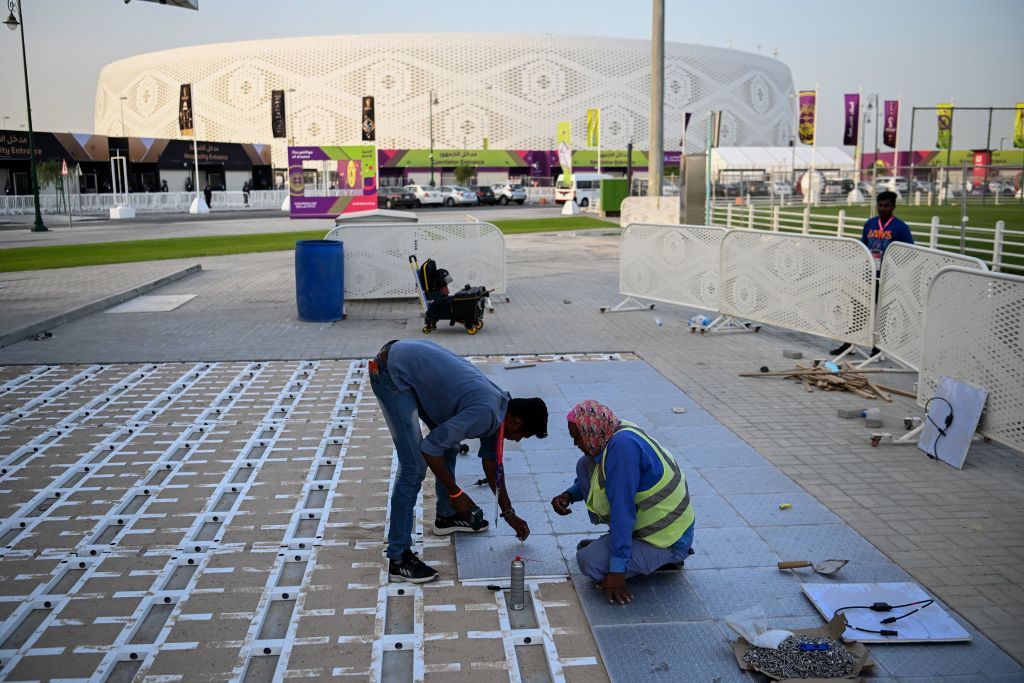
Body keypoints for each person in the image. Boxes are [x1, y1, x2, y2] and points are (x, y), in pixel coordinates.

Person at [369, 339, 549, 583]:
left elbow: (493, 465)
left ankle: (446, 516)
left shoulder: (500, 407)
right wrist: (457, 493)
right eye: (523, 435)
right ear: (516, 422)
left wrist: (509, 514)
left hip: (408, 360)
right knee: (414, 467)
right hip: (391, 372)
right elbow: (429, 448)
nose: (518, 441)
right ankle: (398, 557)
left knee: (449, 446)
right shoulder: (486, 413)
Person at [551, 400, 695, 605]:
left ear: (591, 431)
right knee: (585, 463)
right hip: (650, 528)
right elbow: (599, 476)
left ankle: (666, 558)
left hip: (666, 539)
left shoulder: (622, 451)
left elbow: (623, 513)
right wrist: (570, 495)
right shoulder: (616, 429)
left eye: (577, 437)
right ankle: (620, 549)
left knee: (588, 562)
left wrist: (617, 572)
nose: (576, 443)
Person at [829, 190, 914, 356]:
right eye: (880, 205)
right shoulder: (870, 224)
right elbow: (864, 246)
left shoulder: (901, 228)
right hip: (869, 274)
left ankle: (878, 348)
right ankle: (850, 343)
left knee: (883, 313)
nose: (882, 209)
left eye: (886, 206)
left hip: (888, 277)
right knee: (858, 308)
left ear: (893, 207)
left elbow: (909, 251)